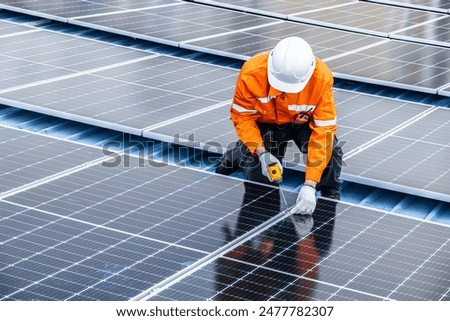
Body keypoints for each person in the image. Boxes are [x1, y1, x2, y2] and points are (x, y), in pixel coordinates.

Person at [224, 36, 343, 215]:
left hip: (301, 124)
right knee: (261, 186)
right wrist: (262, 153)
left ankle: (328, 194)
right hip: (266, 124)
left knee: (331, 151)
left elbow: (324, 131)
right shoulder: (252, 73)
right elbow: (242, 117)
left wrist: (310, 184)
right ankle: (241, 153)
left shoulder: (321, 78)